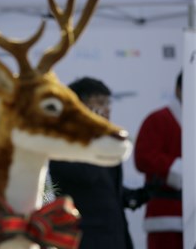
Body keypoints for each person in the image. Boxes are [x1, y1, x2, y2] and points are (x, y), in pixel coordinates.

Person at [49, 77, 147, 249]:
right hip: (83, 240)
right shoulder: (62, 142)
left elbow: (105, 187)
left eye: (108, 103)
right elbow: (85, 177)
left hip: (117, 238)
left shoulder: (105, 142)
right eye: (100, 103)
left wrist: (137, 195)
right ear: (79, 106)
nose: (107, 110)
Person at [134, 72, 182, 249]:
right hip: (167, 214)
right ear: (178, 90)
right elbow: (143, 157)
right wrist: (180, 170)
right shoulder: (158, 120)